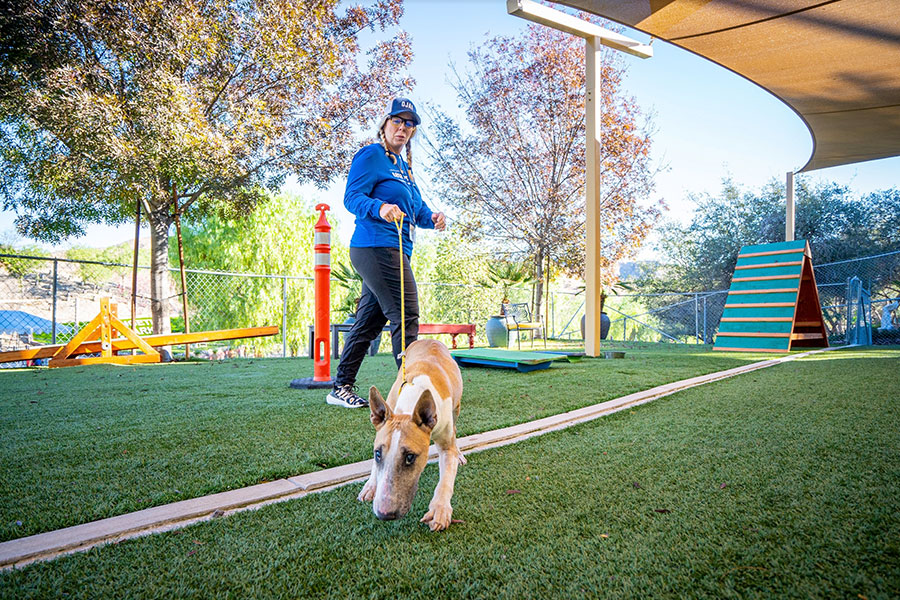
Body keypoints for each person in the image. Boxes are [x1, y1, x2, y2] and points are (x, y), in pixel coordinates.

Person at [326, 98, 446, 408]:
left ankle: (340, 387)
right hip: (375, 245)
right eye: (398, 121)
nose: (403, 128)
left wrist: (432, 218)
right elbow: (352, 197)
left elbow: (416, 209)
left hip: (395, 248)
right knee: (406, 315)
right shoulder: (371, 155)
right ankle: (411, 390)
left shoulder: (403, 168)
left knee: (368, 322)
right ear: (385, 124)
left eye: (410, 124)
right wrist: (380, 207)